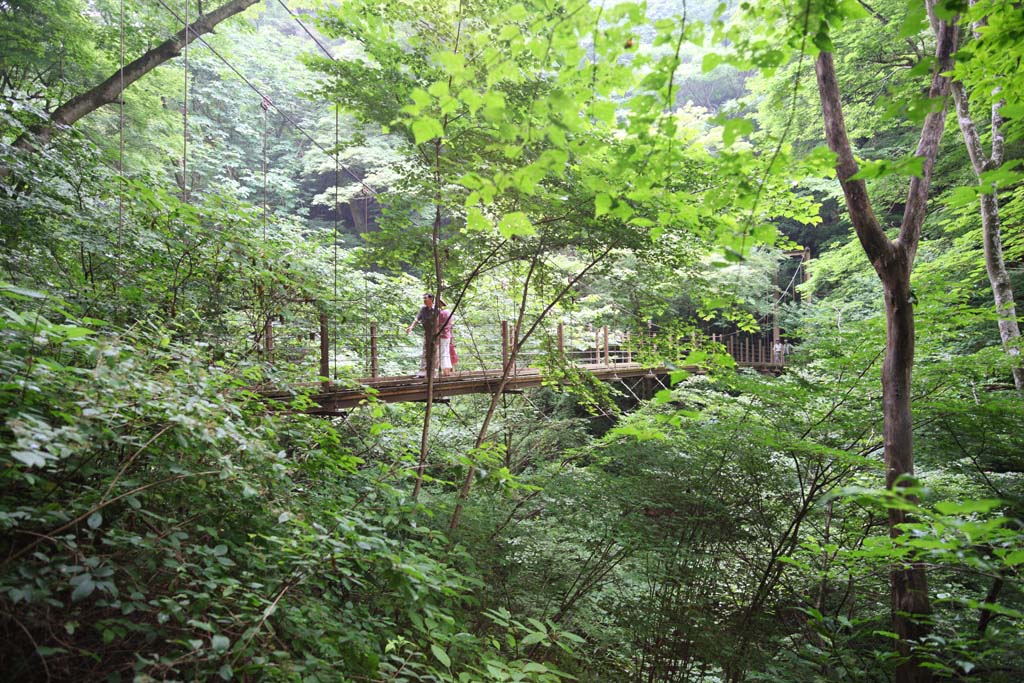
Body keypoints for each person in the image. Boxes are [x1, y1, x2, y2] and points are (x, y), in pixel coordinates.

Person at [406, 293, 440, 377]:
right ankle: (423, 371)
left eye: (426, 298)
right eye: (423, 299)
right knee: (425, 351)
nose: (424, 300)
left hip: (435, 334)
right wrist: (411, 327)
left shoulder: (436, 310)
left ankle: (434, 373)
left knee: (435, 352)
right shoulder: (423, 309)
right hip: (427, 333)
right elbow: (417, 319)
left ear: (431, 299)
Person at [436, 299, 454, 376]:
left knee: (442, 353)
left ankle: (445, 371)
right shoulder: (448, 313)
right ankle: (447, 370)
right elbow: (451, 326)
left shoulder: (439, 314)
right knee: (446, 352)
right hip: (448, 335)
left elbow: (437, 325)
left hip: (441, 335)